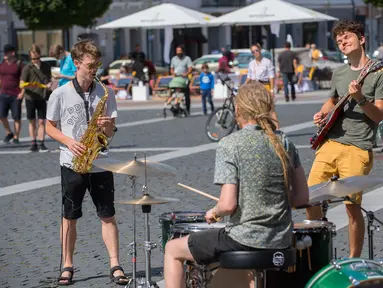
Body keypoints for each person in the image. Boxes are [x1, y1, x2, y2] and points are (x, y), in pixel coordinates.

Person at [164, 82, 309, 288]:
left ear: (238, 109)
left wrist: (214, 213)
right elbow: (302, 198)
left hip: (244, 238)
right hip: (281, 239)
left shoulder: (230, 144)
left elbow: (228, 205)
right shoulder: (284, 142)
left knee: (172, 249)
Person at [46, 40, 129, 286]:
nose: (95, 70)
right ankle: (67, 265)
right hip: (72, 162)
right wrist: (69, 142)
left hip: (101, 162)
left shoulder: (105, 92)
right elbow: (49, 127)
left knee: (108, 215)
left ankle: (115, 263)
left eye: (97, 65)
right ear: (77, 63)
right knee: (69, 217)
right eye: (91, 65)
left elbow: (112, 130)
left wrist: (108, 127)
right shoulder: (60, 94)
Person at [306, 20, 383, 258]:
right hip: (331, 142)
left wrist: (360, 97)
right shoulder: (339, 73)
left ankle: (353, 258)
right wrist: (322, 113)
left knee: (352, 207)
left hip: (358, 147)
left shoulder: (378, 73)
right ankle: (321, 248)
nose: (342, 43)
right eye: (339, 41)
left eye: (347, 38)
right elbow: (332, 101)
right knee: (309, 197)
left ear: (361, 39)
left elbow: (379, 115)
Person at [19, 44, 52, 152]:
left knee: (42, 121)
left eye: (37, 58)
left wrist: (49, 85)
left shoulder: (46, 66)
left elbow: (49, 80)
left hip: (42, 97)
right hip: (30, 97)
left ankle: (41, 142)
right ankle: (33, 143)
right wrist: (27, 86)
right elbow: (21, 83)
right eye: (33, 59)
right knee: (32, 122)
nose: (35, 61)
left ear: (40, 56)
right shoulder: (27, 68)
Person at [246, 44, 279, 128]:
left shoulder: (267, 62)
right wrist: (243, 86)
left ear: (260, 50)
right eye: (253, 52)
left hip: (265, 85)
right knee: (257, 109)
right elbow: (249, 77)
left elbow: (271, 76)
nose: (255, 53)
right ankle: (264, 128)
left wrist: (272, 90)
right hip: (254, 87)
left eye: (256, 50)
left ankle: (278, 129)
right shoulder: (251, 63)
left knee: (270, 109)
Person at [0, 44, 23, 143]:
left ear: (12, 52)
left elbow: (23, 79)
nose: (5, 54)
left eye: (7, 52)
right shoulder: (2, 63)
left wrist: (22, 93)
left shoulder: (19, 64)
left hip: (15, 94)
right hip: (3, 93)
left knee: (16, 117)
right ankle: (9, 132)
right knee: (1, 115)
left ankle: (16, 137)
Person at [170, 45, 193, 114]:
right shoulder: (174, 59)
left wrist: (186, 73)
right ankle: (175, 108)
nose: (178, 52)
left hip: (184, 79)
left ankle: (187, 108)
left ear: (182, 51)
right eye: (177, 51)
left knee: (186, 94)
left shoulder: (187, 58)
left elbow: (190, 68)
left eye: (180, 51)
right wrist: (173, 73)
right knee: (174, 94)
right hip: (176, 79)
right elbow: (171, 68)